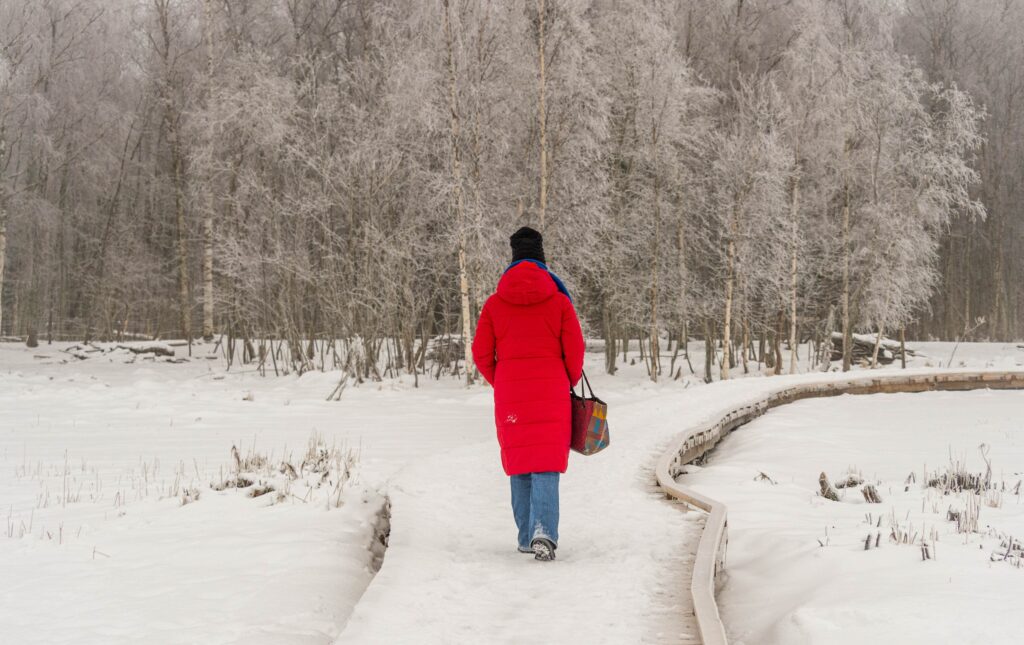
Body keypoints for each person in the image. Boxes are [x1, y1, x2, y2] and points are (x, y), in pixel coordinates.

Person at [471, 226, 585, 562]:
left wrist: (502, 380)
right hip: (552, 392)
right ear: (542, 259)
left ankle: (525, 536)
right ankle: (544, 533)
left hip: (511, 396)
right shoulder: (559, 302)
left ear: (512, 258)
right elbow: (575, 352)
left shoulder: (494, 304)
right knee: (547, 462)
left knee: (520, 462)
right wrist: (567, 379)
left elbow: (480, 353)